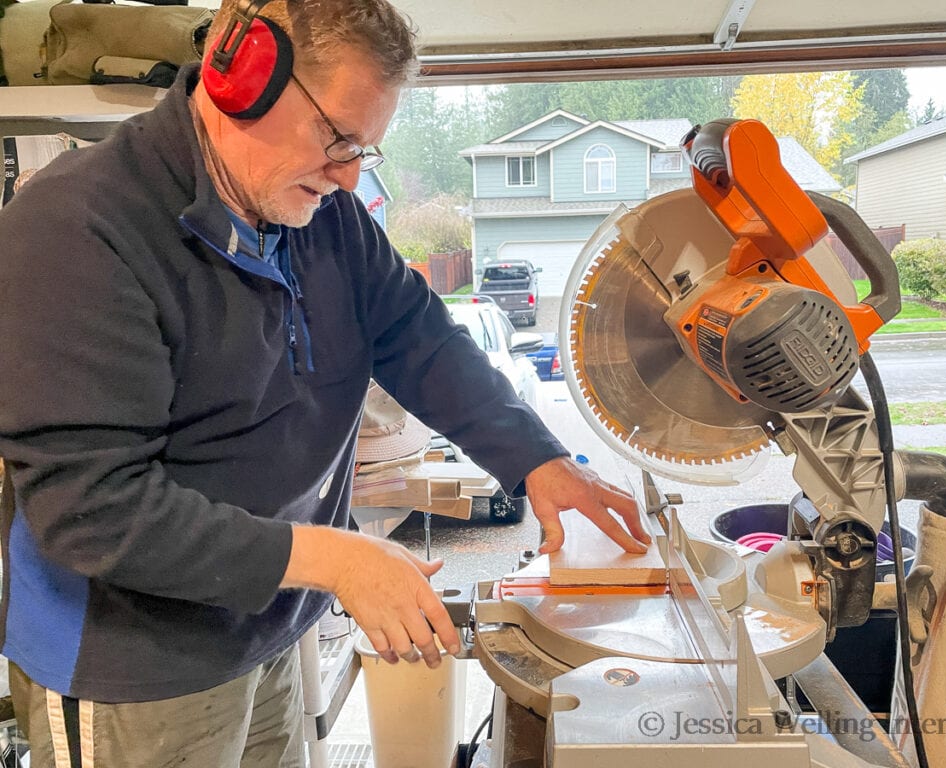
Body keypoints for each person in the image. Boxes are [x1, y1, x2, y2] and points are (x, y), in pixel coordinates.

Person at [0, 0, 650, 765]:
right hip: (136, 666)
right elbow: (95, 513)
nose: (346, 176)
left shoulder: (319, 216)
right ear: (241, 78)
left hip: (267, 624)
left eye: (363, 151)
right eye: (338, 138)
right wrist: (339, 560)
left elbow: (417, 337)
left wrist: (535, 459)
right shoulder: (80, 228)